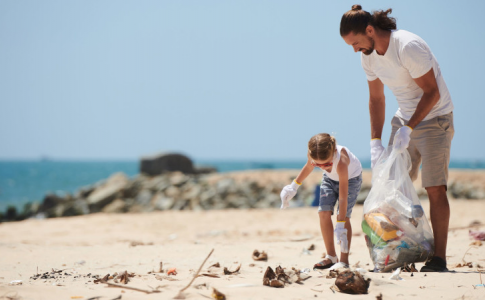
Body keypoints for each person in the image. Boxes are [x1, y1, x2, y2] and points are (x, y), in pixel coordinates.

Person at [340, 5, 454, 272]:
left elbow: (432, 93)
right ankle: (398, 249)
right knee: (390, 187)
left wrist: (409, 128)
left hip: (435, 118)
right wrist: (375, 141)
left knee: (435, 187)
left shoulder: (407, 46)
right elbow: (376, 98)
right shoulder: (368, 56)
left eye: (356, 43)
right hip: (404, 119)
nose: (355, 50)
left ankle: (439, 257)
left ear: (370, 30)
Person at [280, 133, 363, 270]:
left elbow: (342, 198)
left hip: (350, 179)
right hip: (329, 180)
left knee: (343, 217)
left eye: (327, 163)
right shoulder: (314, 154)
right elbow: (308, 167)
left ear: (334, 152)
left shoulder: (341, 161)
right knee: (323, 212)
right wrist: (293, 187)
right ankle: (331, 256)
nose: (324, 167)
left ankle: (344, 260)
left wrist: (341, 224)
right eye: (319, 165)